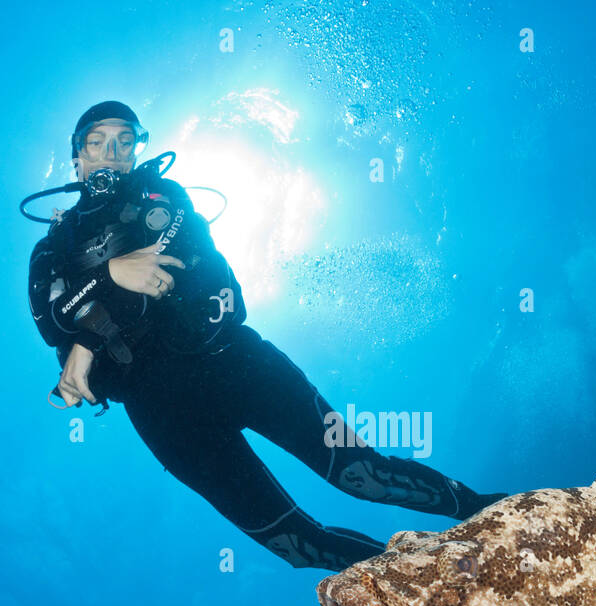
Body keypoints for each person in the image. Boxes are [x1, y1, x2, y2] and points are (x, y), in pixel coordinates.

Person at [28, 101, 506, 572]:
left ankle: (493, 517)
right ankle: (424, 585)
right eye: (97, 142)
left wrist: (89, 333)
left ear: (136, 151)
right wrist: (112, 275)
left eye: (125, 142)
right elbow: (51, 322)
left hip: (233, 362)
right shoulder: (52, 248)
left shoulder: (164, 196)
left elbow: (181, 259)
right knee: (296, 545)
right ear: (77, 156)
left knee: (365, 477)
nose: (112, 153)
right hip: (161, 412)